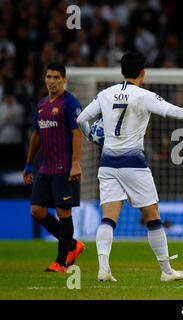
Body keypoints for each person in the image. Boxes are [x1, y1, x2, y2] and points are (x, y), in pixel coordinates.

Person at [76, 52, 183, 282]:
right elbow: (177, 112)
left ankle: (104, 268)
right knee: (153, 217)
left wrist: (92, 138)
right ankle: (166, 271)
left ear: (121, 72)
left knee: (108, 218)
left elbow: (81, 119)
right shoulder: (144, 96)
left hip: (108, 163)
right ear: (143, 73)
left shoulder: (105, 94)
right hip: (134, 164)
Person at [23, 63, 85, 273]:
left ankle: (61, 261)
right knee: (37, 211)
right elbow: (36, 136)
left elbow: (77, 134)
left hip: (64, 167)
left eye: (56, 77)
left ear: (64, 79)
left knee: (63, 212)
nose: (52, 81)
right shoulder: (41, 105)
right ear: (45, 79)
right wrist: (29, 163)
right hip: (45, 168)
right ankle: (72, 245)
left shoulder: (69, 102)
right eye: (49, 76)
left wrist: (76, 164)